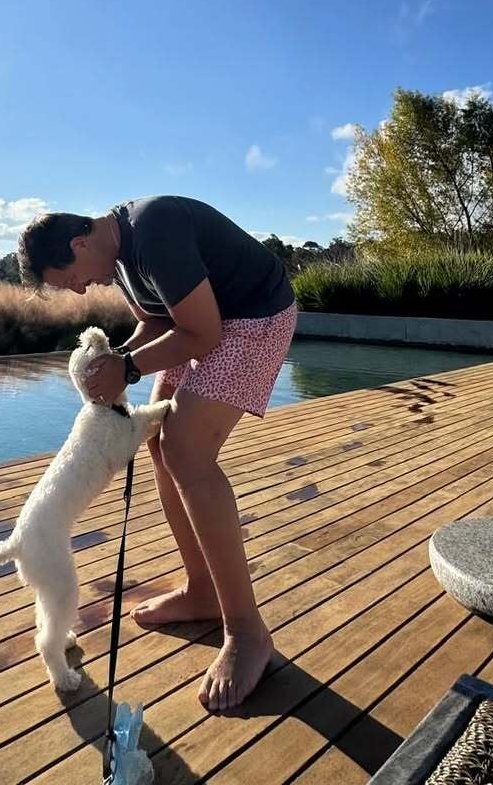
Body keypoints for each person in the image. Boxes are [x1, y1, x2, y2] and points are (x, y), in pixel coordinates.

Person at [17, 194, 298, 712]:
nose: (81, 290)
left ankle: (246, 631)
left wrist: (126, 371)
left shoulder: (155, 231)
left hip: (255, 317)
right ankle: (201, 591)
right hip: (207, 322)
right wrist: (119, 357)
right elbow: (156, 322)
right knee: (160, 445)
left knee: (186, 449)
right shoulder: (117, 257)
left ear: (80, 243)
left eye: (71, 278)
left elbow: (204, 332)